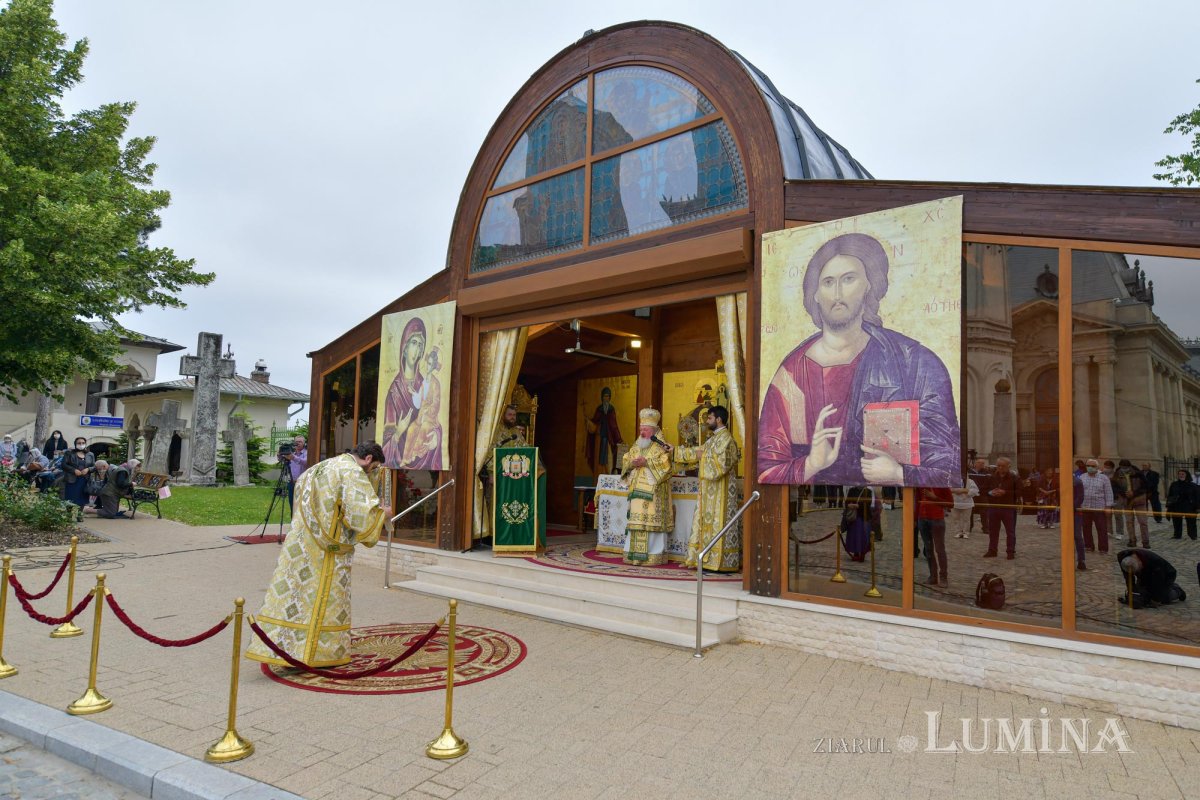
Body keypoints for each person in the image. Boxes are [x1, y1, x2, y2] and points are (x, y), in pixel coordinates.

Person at [757, 232, 960, 487]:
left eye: (849, 279)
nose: (837, 293)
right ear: (816, 293)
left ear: (869, 285)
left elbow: (949, 466)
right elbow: (766, 469)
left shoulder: (915, 364)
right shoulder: (792, 373)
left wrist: (900, 475)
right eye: (828, 282)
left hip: (894, 513)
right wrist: (812, 464)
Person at [246, 442, 391, 668]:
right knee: (323, 600)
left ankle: (285, 648)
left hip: (299, 546)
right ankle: (321, 654)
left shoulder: (317, 468)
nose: (370, 474)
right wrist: (382, 514)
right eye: (373, 469)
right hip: (327, 553)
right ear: (369, 459)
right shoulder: (351, 472)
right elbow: (361, 516)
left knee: (294, 597)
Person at [673, 405, 741, 572]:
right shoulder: (712, 440)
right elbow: (697, 452)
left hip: (721, 493)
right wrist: (674, 451)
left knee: (718, 523)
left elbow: (721, 465)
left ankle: (719, 561)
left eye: (709, 418)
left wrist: (703, 457)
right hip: (708, 491)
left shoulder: (728, 440)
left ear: (718, 419)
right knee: (703, 523)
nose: (707, 421)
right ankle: (702, 558)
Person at [381, 317, 439, 469]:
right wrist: (398, 432)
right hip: (400, 464)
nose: (417, 349)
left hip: (423, 449)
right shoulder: (394, 391)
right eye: (414, 343)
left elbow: (436, 417)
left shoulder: (427, 382)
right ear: (404, 348)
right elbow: (385, 443)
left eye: (421, 345)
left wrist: (436, 438)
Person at [620, 408, 673, 565]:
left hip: (654, 494)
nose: (642, 432)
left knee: (650, 524)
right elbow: (626, 459)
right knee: (637, 523)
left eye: (646, 429)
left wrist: (647, 462)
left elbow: (667, 466)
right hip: (637, 492)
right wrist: (631, 463)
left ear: (655, 430)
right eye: (641, 429)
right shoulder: (637, 445)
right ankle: (633, 555)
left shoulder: (661, 446)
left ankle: (653, 555)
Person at [401, 348, 443, 467]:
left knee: (423, 430)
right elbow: (420, 400)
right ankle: (406, 458)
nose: (428, 367)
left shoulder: (436, 383)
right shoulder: (425, 381)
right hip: (421, 416)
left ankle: (414, 455)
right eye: (428, 363)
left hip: (430, 418)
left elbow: (436, 402)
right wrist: (414, 393)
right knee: (411, 429)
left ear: (434, 366)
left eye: (431, 365)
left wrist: (428, 411)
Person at [1117, 549, 1183, 607]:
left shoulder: (1155, 562)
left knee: (1163, 598)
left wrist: (1156, 600)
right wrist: (1132, 592)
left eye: (1137, 571)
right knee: (1142, 592)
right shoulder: (1122, 557)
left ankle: (1178, 591)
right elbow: (1128, 577)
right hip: (1149, 572)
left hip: (1167, 574)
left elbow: (1158, 582)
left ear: (1140, 563)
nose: (1135, 574)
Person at [983, 456, 1019, 559]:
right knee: (993, 530)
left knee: (1010, 531)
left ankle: (1010, 551)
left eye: (1002, 466)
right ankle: (992, 550)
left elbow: (1020, 492)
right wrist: (991, 492)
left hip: (1008, 508)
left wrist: (1005, 493)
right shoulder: (991, 477)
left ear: (1008, 466)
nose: (1000, 468)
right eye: (998, 466)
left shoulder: (1014, 478)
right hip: (994, 507)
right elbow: (983, 490)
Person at [917, 486, 953, 586]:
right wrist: (915, 518)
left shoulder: (941, 483)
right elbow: (917, 501)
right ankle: (933, 576)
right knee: (928, 549)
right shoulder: (920, 483)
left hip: (937, 519)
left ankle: (943, 577)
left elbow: (951, 504)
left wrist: (934, 497)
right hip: (922, 518)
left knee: (939, 549)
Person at [585, 386, 624, 475]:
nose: (606, 398)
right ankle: (598, 477)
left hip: (609, 440)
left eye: (607, 396)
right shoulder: (599, 409)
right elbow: (594, 421)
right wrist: (589, 422)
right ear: (601, 397)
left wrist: (619, 439)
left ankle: (608, 476)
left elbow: (614, 425)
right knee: (598, 461)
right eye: (604, 396)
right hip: (599, 440)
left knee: (609, 460)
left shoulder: (611, 409)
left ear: (609, 397)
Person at [1079, 458, 1114, 554]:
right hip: (1085, 507)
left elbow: (1109, 493)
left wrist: (1108, 507)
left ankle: (1103, 548)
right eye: (1088, 466)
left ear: (1097, 467)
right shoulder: (1082, 477)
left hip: (1099, 508)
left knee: (1102, 528)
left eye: (1092, 466)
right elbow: (1079, 492)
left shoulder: (1104, 478)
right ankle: (1088, 546)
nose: (1090, 468)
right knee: (1086, 528)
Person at [841, 486, 875, 562]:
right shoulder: (852, 490)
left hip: (863, 517)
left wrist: (858, 506)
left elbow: (868, 504)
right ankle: (856, 553)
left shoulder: (868, 491)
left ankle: (862, 553)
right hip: (853, 518)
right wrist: (849, 505)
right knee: (854, 536)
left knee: (863, 536)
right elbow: (847, 502)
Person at [1122, 459, 1151, 548]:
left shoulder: (1138, 474)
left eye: (1125, 467)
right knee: (1129, 522)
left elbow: (1146, 487)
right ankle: (1132, 540)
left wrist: (1134, 493)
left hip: (1139, 500)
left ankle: (1145, 542)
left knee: (1143, 522)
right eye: (1122, 467)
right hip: (1127, 501)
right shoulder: (1118, 474)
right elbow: (1115, 486)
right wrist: (1124, 493)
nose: (1124, 469)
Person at [61, 437, 95, 509]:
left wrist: (88, 469)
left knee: (82, 498)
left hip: (85, 480)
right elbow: (64, 465)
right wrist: (74, 470)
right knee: (70, 498)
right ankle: (69, 515)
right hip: (71, 479)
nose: (81, 444)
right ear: (75, 444)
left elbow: (94, 466)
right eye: (79, 443)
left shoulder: (90, 454)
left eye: (83, 443)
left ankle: (79, 515)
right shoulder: (69, 453)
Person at [1166, 469, 1198, 541]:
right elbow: (1170, 496)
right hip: (1177, 506)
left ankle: (1193, 535)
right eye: (1180, 474)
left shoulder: (1193, 486)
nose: (1181, 475)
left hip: (1189, 506)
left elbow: (1197, 497)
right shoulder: (1174, 484)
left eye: (1183, 474)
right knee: (1176, 521)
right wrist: (1169, 506)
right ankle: (1177, 535)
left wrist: (1197, 507)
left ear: (1186, 475)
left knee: (1191, 522)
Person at [283, 435, 309, 513]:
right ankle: (293, 523)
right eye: (296, 442)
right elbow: (282, 461)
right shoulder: (291, 453)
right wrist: (280, 454)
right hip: (291, 482)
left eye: (300, 442)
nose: (297, 443)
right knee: (292, 504)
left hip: (303, 483)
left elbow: (306, 462)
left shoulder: (307, 453)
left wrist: (293, 458)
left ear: (304, 443)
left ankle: (301, 523)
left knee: (301, 504)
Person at [951, 473, 979, 539]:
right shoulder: (952, 480)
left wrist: (966, 491)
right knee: (956, 518)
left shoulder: (970, 481)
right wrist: (955, 490)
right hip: (955, 502)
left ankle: (966, 532)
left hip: (967, 502)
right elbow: (948, 489)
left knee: (966, 519)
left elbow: (975, 490)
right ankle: (958, 532)